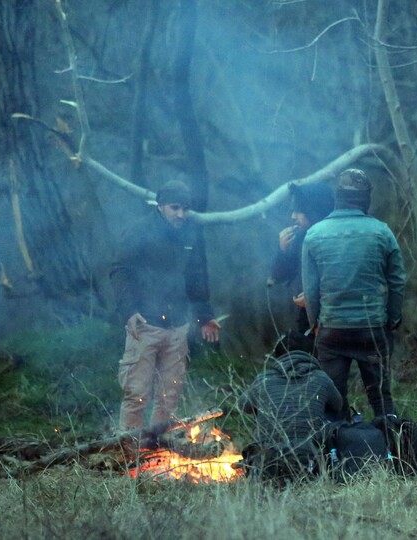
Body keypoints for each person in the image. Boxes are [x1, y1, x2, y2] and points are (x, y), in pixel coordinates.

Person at [110, 180, 221, 432]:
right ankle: (130, 447)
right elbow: (119, 271)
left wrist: (205, 316)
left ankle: (159, 447)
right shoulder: (139, 231)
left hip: (178, 327)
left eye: (185, 208)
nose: (180, 214)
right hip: (145, 325)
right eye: (175, 207)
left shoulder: (190, 235)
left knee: (169, 395)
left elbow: (196, 278)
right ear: (160, 206)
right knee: (137, 393)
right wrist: (128, 312)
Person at [301, 168, 406, 419]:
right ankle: (391, 441)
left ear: (337, 197)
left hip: (332, 330)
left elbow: (310, 289)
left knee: (333, 401)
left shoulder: (314, 234)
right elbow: (397, 281)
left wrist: (315, 324)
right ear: (366, 198)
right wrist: (392, 319)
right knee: (380, 398)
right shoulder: (382, 232)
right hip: (372, 328)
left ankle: (337, 443)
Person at [238, 338, 342, 479]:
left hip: (267, 459)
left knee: (257, 405)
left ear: (277, 356)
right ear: (312, 354)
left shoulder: (264, 379)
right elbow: (338, 405)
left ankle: (265, 455)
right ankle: (331, 460)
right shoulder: (321, 378)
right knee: (329, 409)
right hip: (309, 459)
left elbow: (243, 406)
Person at [269, 182, 335, 346]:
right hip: (306, 318)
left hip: (334, 319)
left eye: (298, 211)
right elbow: (277, 277)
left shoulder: (336, 239)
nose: (293, 216)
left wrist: (315, 297)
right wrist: (282, 250)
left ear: (313, 210)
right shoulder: (300, 238)